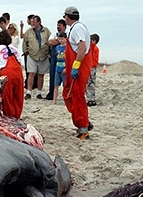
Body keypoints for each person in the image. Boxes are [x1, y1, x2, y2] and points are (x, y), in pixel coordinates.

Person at [62, 6, 93, 139]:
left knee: (77, 97)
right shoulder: (76, 28)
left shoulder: (77, 28)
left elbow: (82, 47)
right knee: (68, 95)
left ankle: (83, 129)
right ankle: (84, 121)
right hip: (75, 67)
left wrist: (76, 66)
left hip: (80, 67)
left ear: (67, 17)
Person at [0, 30, 24, 119]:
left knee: (7, 96)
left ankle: (9, 116)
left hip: (6, 72)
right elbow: (19, 63)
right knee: (18, 95)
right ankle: (17, 115)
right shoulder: (15, 49)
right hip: (18, 72)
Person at [23, 15, 51, 100]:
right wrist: (26, 52)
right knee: (31, 73)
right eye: (31, 22)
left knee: (41, 75)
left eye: (34, 22)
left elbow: (50, 41)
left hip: (43, 56)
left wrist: (49, 52)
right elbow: (24, 42)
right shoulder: (28, 31)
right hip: (32, 55)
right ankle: (29, 92)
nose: (32, 23)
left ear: (39, 22)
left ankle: (39, 93)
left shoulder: (46, 31)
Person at [45, 19, 67, 100]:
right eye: (57, 25)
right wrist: (61, 41)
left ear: (64, 27)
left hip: (64, 60)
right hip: (55, 58)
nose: (58, 27)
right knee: (53, 76)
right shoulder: (54, 34)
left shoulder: (68, 34)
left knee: (65, 79)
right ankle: (51, 93)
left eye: (60, 25)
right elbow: (50, 42)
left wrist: (57, 40)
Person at [20, 14, 38, 90]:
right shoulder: (29, 30)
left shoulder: (35, 30)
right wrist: (21, 28)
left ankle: (33, 84)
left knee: (32, 69)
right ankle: (30, 83)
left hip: (32, 52)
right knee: (29, 69)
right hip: (27, 52)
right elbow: (22, 36)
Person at [86, 33, 100, 107]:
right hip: (92, 67)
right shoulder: (94, 48)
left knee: (90, 83)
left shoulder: (94, 48)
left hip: (92, 67)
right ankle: (91, 99)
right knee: (91, 83)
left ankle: (91, 99)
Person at [53, 32, 67, 104]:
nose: (61, 40)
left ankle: (65, 100)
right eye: (60, 39)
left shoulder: (67, 48)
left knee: (65, 85)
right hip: (57, 67)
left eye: (62, 39)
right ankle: (54, 100)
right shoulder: (57, 47)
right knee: (56, 85)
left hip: (64, 68)